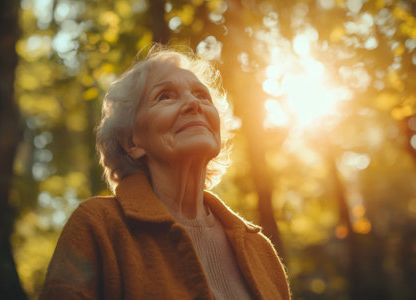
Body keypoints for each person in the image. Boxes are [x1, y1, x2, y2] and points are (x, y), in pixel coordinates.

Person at [40, 45, 290, 300]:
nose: (194, 104)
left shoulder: (260, 249)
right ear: (132, 143)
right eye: (165, 96)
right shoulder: (98, 225)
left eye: (202, 96)